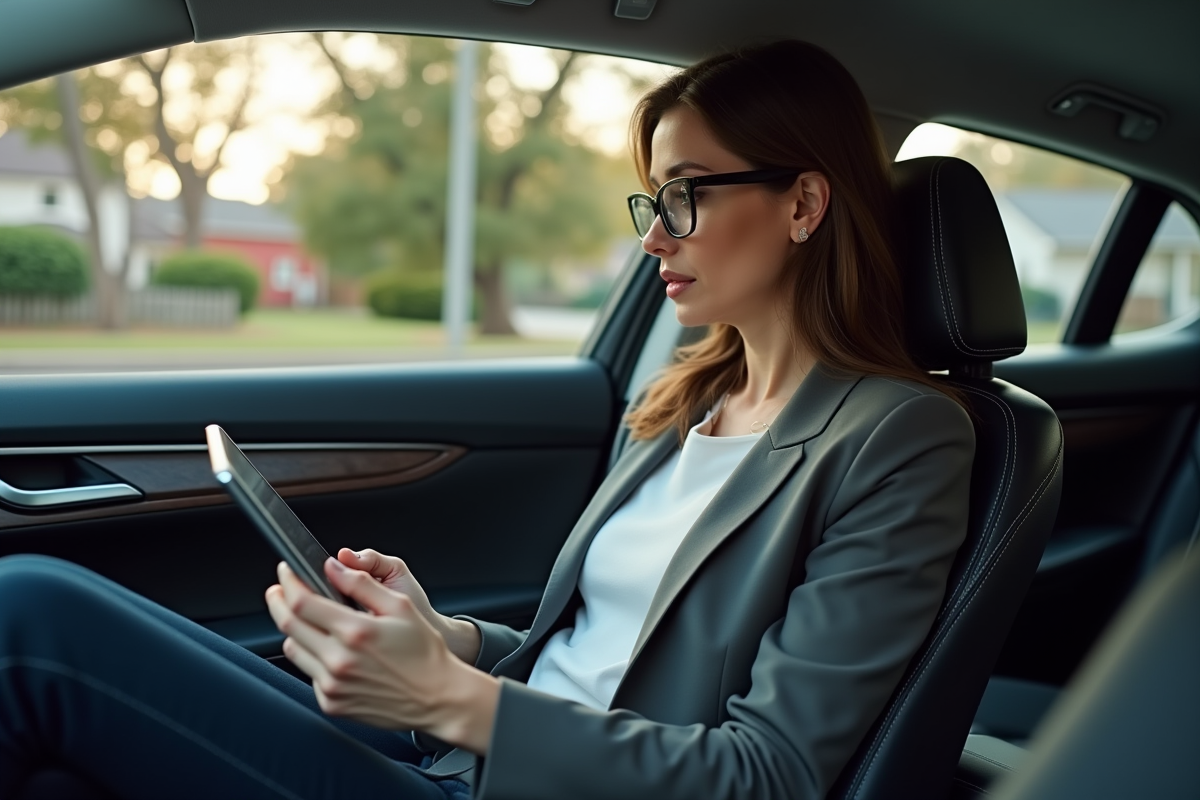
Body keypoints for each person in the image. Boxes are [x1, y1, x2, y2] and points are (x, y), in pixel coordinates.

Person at [0, 39, 974, 800]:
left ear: (803, 203)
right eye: (652, 197)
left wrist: (447, 697)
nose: (652, 233)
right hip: (476, 754)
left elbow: (770, 775)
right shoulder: (684, 400)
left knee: (34, 615)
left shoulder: (898, 438)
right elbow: (598, 662)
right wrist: (450, 639)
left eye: (685, 194)